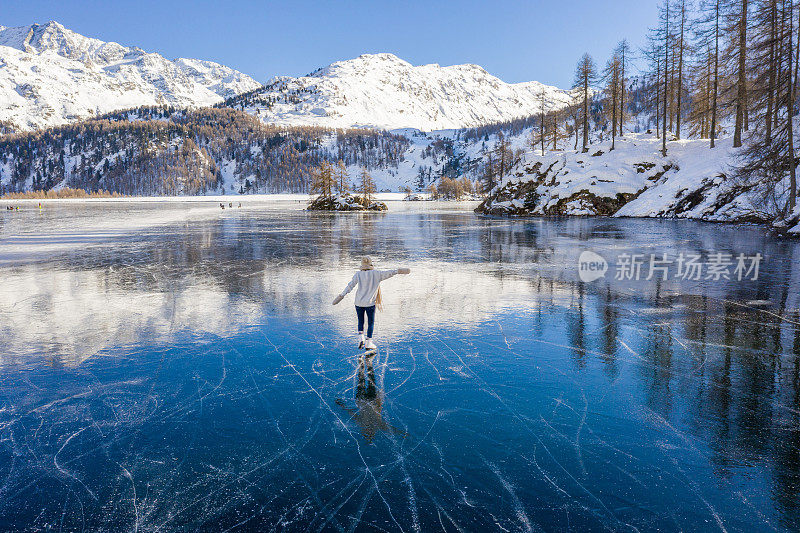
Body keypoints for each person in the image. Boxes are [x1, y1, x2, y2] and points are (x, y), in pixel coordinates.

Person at [333, 257, 410, 350]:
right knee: (370, 322)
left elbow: (350, 286)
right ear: (371, 264)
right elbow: (388, 273)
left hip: (358, 303)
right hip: (370, 304)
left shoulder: (358, 274)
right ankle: (369, 342)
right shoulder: (376, 274)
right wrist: (398, 271)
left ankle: (361, 338)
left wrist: (341, 295)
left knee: (360, 321)